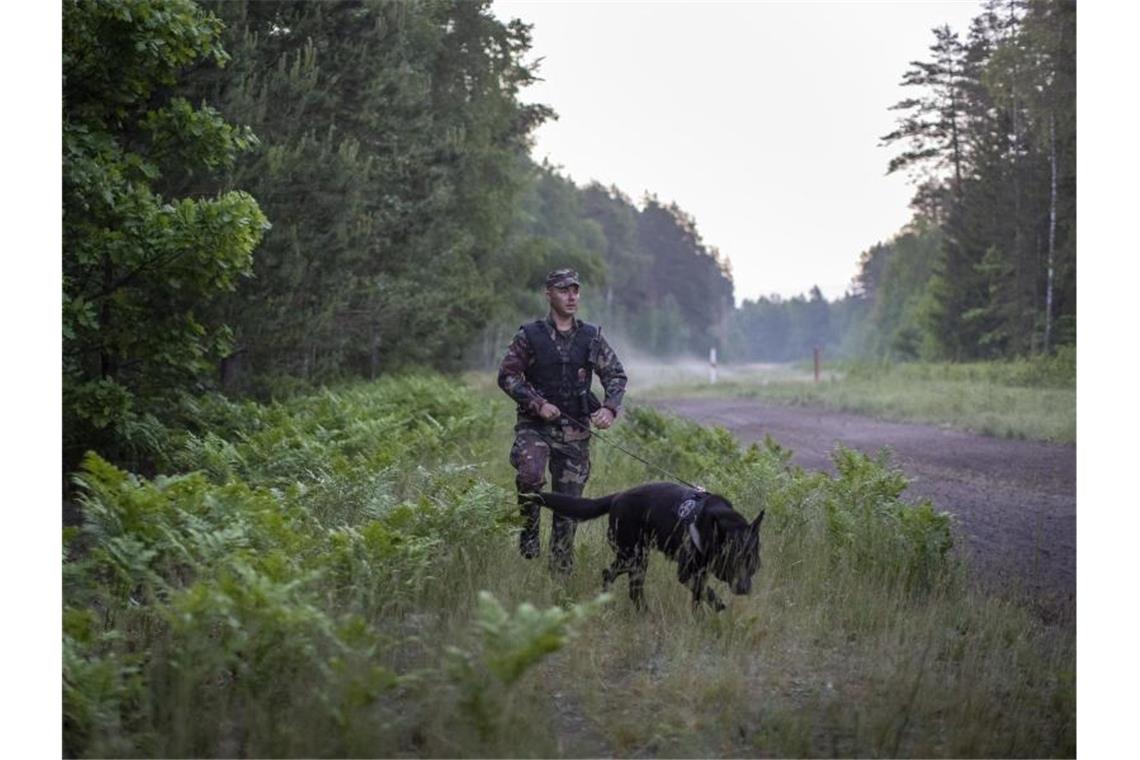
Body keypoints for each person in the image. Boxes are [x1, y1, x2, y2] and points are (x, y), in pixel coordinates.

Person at [497, 268, 628, 574]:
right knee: (530, 476)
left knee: (568, 505)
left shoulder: (591, 336)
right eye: (563, 290)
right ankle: (529, 530)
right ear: (549, 294)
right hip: (535, 427)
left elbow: (616, 375)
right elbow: (507, 376)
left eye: (575, 290)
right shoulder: (530, 335)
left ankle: (560, 570)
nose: (571, 297)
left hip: (575, 432)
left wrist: (609, 408)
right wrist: (537, 403)